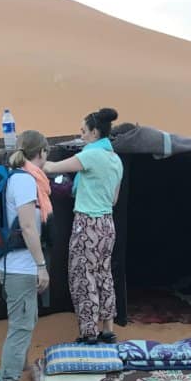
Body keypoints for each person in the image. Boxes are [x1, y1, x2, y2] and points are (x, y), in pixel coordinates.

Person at [43, 107, 123, 344]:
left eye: (83, 131)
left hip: (87, 223)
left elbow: (51, 168)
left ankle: (89, 331)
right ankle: (107, 328)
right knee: (104, 274)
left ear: (95, 132)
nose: (81, 136)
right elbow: (114, 199)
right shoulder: (115, 159)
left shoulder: (91, 155)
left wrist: (29, 159)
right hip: (107, 224)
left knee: (83, 275)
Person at [0, 130, 51, 381]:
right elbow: (29, 228)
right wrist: (41, 266)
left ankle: (22, 367)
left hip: (12, 264)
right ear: (41, 153)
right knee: (20, 326)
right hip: (20, 266)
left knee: (27, 320)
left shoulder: (16, 177)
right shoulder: (26, 182)